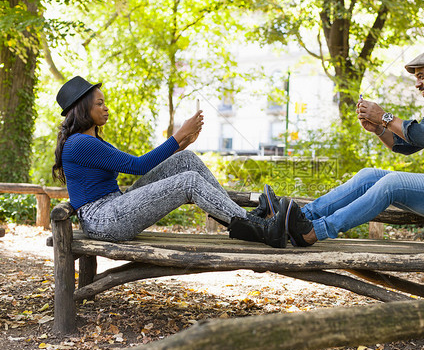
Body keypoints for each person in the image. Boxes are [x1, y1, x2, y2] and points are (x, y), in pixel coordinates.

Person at [279, 47, 424, 246]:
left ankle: (313, 232)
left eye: (421, 76)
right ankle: (300, 216)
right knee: (368, 176)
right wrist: (378, 129)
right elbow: (407, 145)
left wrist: (384, 116)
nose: (417, 84)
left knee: (393, 183)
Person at [52, 76, 288, 248]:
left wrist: (182, 143)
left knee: (184, 160)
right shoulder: (80, 143)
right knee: (189, 182)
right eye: (99, 104)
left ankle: (248, 222)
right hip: (103, 220)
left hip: (114, 207)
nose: (106, 108)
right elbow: (138, 166)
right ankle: (258, 228)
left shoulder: (93, 141)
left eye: (104, 102)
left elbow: (143, 165)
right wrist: (178, 134)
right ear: (83, 109)